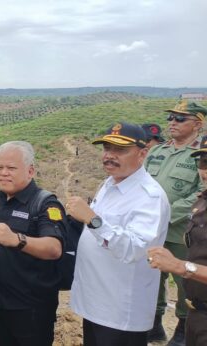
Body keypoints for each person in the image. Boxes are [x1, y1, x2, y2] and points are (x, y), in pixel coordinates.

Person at [67, 122, 170, 346]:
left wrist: (92, 220)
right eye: (107, 148)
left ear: (142, 154)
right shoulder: (110, 183)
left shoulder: (149, 197)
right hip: (96, 303)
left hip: (120, 311)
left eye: (120, 150)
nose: (110, 156)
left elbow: (135, 249)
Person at [0, 141, 65, 346]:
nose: (3, 173)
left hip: (30, 308)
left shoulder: (45, 203)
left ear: (30, 171)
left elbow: (54, 249)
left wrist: (17, 240)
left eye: (11, 168)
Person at [143, 101, 206, 345]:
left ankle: (182, 327)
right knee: (152, 275)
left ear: (197, 124)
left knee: (184, 279)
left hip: (182, 230)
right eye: (171, 118)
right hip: (151, 227)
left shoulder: (201, 154)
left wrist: (167, 212)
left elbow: (201, 191)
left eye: (180, 119)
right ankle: (155, 323)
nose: (172, 123)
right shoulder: (157, 151)